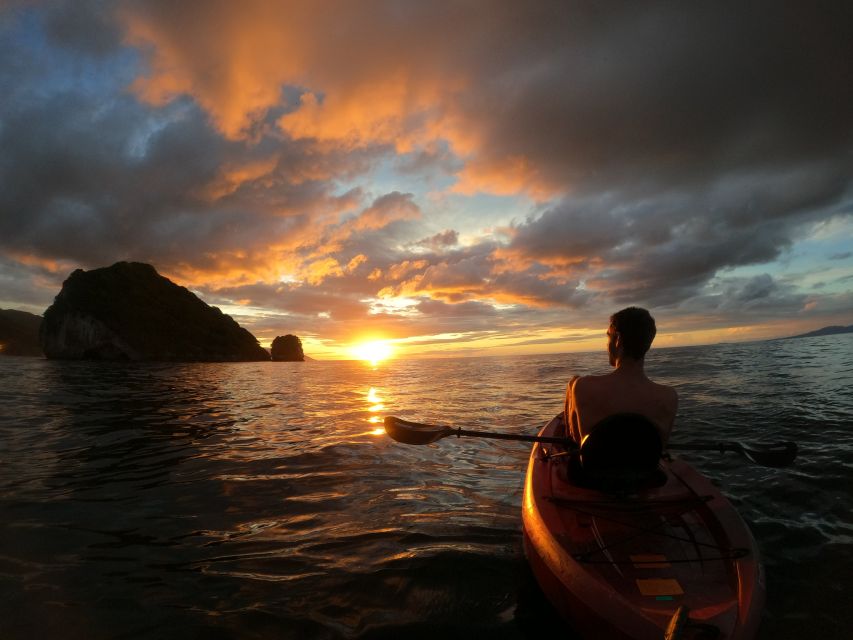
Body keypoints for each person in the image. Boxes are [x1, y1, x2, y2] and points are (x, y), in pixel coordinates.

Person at [565, 307, 678, 448]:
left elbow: (577, 442)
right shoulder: (669, 397)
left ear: (618, 339)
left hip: (597, 468)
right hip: (644, 469)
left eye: (608, 337)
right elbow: (660, 448)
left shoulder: (583, 386)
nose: (606, 345)